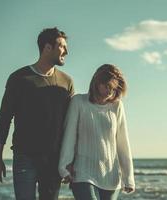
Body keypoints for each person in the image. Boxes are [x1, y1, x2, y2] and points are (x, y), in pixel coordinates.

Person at [0, 27, 74, 200]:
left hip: (54, 159)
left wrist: (71, 159)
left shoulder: (66, 83)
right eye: (62, 46)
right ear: (47, 47)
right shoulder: (18, 78)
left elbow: (72, 124)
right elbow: (4, 118)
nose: (66, 51)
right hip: (25, 156)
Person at [58, 64, 135, 200]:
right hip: (83, 172)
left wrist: (128, 177)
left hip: (111, 176)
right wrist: (63, 166)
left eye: (114, 88)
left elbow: (123, 143)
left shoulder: (117, 106)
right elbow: (69, 135)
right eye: (107, 86)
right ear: (97, 82)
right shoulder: (78, 102)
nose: (110, 92)